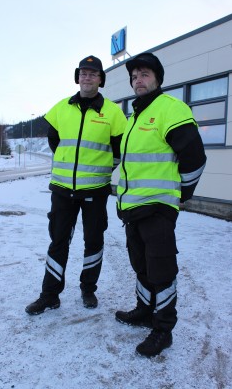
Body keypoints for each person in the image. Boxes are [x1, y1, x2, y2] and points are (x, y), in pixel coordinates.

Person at [115, 52, 207, 357]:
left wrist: (180, 195)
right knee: (140, 264)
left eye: (144, 74)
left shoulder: (169, 109)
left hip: (158, 208)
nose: (138, 81)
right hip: (134, 209)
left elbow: (195, 158)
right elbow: (132, 167)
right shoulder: (135, 116)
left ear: (157, 79)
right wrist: (122, 202)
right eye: (134, 76)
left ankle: (163, 328)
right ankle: (144, 310)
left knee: (161, 268)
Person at [26, 55, 127, 315]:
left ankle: (88, 288)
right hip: (62, 189)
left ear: (101, 79)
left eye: (93, 73)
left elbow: (119, 151)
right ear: (77, 77)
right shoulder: (61, 108)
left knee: (94, 241)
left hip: (95, 190)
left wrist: (100, 169)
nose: (87, 77)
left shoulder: (113, 113)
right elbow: (54, 142)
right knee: (58, 242)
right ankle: (50, 295)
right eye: (83, 72)